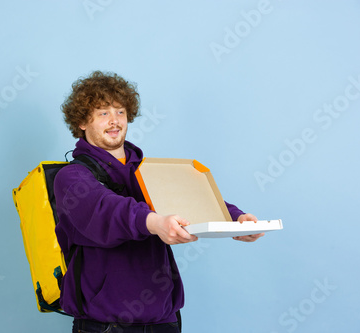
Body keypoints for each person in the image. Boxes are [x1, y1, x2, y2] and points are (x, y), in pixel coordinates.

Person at [54, 70, 264, 333]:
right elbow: (105, 209)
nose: (114, 120)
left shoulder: (148, 171)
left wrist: (236, 219)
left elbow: (193, 197)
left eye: (120, 111)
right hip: (105, 324)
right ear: (82, 122)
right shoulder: (71, 177)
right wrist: (154, 222)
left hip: (164, 320)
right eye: (103, 113)